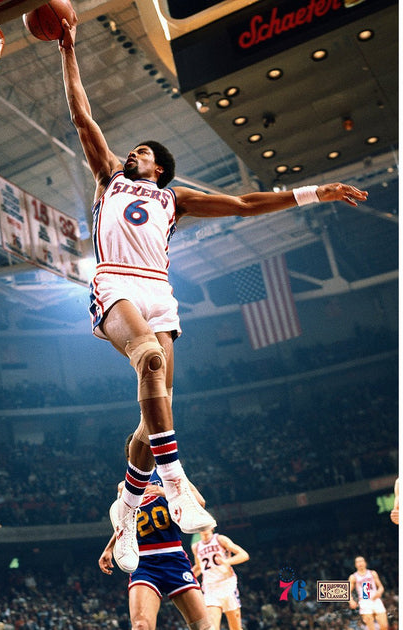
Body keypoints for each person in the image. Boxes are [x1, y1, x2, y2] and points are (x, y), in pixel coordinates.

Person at [57, 20, 369, 574]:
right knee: (148, 358)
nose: (136, 152)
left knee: (152, 430)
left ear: (162, 167)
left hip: (160, 291)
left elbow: (246, 204)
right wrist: (69, 48)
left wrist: (312, 192)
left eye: (146, 152)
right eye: (135, 150)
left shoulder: (175, 200)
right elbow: (82, 115)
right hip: (116, 279)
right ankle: (176, 484)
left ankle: (124, 515)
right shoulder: (108, 177)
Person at [99, 434, 213, 630]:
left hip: (173, 555)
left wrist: (165, 492)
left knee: (204, 627)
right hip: (144, 562)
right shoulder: (124, 486)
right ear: (131, 458)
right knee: (141, 625)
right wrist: (109, 548)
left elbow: (200, 502)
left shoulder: (168, 474)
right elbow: (125, 522)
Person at [192, 528, 249, 630]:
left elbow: (244, 555)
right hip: (210, 588)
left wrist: (227, 561)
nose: (204, 528)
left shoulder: (220, 539)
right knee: (212, 627)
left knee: (235, 628)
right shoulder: (196, 546)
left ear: (212, 527)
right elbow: (199, 567)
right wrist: (184, 579)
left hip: (227, 584)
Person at [348, 555, 388, 630]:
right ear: (355, 565)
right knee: (371, 628)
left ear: (365, 563)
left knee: (384, 626)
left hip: (375, 600)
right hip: (365, 601)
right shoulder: (353, 577)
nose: (360, 563)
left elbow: (381, 587)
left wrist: (379, 592)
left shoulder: (372, 573)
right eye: (358, 562)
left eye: (361, 561)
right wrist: (351, 601)